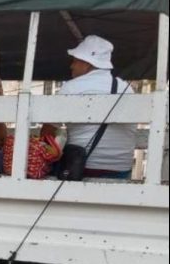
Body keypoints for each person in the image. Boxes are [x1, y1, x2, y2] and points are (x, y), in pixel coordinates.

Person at [41, 35, 135, 179]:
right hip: (122, 170)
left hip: (82, 168)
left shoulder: (71, 88)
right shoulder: (125, 88)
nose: (71, 66)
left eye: (75, 61)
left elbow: (47, 133)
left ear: (88, 63)